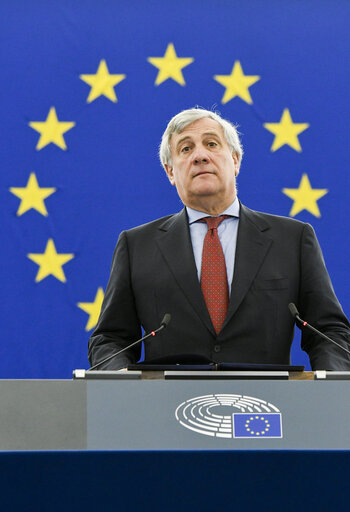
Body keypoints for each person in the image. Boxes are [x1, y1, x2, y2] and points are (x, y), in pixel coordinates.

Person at [88, 107, 350, 371]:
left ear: (235, 160)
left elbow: (329, 331)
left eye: (211, 144)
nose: (200, 156)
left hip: (267, 406)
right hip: (166, 406)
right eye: (186, 149)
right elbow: (111, 339)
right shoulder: (137, 246)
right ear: (170, 172)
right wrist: (117, 384)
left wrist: (332, 389)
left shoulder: (292, 239)